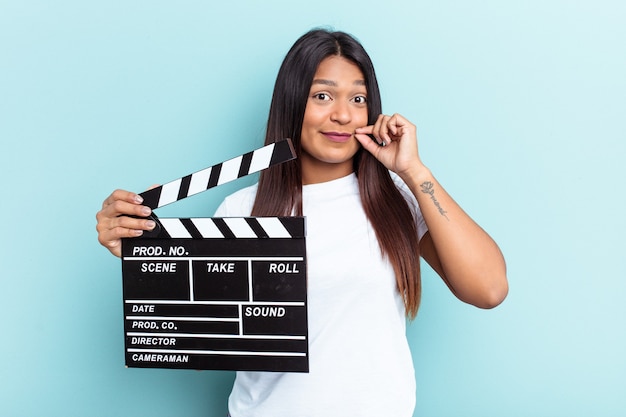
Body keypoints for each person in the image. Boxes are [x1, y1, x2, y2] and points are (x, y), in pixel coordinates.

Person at [96, 28, 508, 417]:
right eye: (323, 96)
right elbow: (207, 351)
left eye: (358, 99)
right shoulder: (241, 210)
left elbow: (488, 288)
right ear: (294, 105)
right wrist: (141, 256)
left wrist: (415, 172)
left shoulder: (394, 201)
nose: (344, 115)